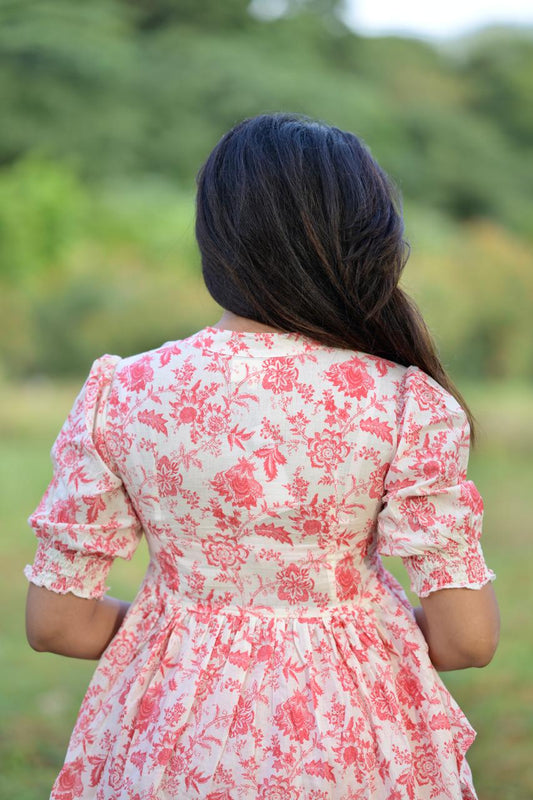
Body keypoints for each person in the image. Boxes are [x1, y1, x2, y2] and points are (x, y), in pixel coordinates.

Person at [25, 113, 499, 800]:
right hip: (353, 744)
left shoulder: (121, 393)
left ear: (213, 237)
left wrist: (189, 634)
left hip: (169, 744)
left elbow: (57, 624)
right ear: (369, 240)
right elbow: (466, 641)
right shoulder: (405, 404)